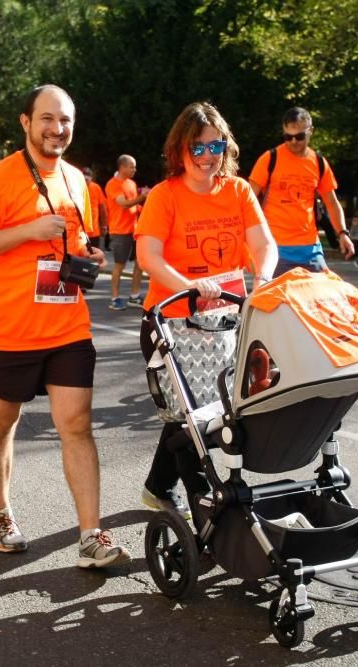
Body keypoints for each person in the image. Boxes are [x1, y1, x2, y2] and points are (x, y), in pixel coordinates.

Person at [0, 84, 129, 569]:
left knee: (77, 426)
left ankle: (92, 534)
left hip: (67, 325)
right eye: (48, 119)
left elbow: (75, 240)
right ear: (26, 123)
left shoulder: (77, 181)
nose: (58, 129)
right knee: (1, 422)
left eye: (66, 120)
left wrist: (87, 256)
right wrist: (26, 232)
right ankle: (0, 513)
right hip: (6, 329)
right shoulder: (0, 180)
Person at [135, 101, 277, 517]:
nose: (207, 157)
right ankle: (203, 500)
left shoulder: (237, 191)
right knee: (189, 417)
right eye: (198, 148)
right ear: (180, 150)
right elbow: (149, 256)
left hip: (224, 322)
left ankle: (157, 486)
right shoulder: (165, 196)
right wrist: (190, 288)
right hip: (170, 322)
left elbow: (263, 243)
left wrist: (263, 279)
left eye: (216, 147)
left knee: (203, 413)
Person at [248, 107, 353, 275]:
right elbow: (248, 199)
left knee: (319, 296)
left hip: (310, 248)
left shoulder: (318, 163)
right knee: (278, 300)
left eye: (299, 136)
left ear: (310, 131)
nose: (293, 141)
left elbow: (332, 203)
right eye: (288, 137)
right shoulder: (270, 158)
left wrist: (342, 233)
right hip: (275, 246)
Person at [105, 155, 148, 310]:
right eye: (131, 166)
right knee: (119, 265)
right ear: (122, 167)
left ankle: (134, 297)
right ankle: (114, 298)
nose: (134, 170)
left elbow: (134, 207)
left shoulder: (131, 183)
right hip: (120, 231)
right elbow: (123, 204)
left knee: (140, 263)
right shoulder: (113, 184)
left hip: (135, 230)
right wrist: (143, 197)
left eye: (134, 166)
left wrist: (147, 207)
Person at [82, 167, 108, 248]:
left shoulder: (96, 188)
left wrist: (104, 226)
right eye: (84, 176)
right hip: (78, 232)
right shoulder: (72, 187)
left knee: (93, 256)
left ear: (91, 178)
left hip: (93, 231)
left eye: (88, 176)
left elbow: (102, 208)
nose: (86, 178)